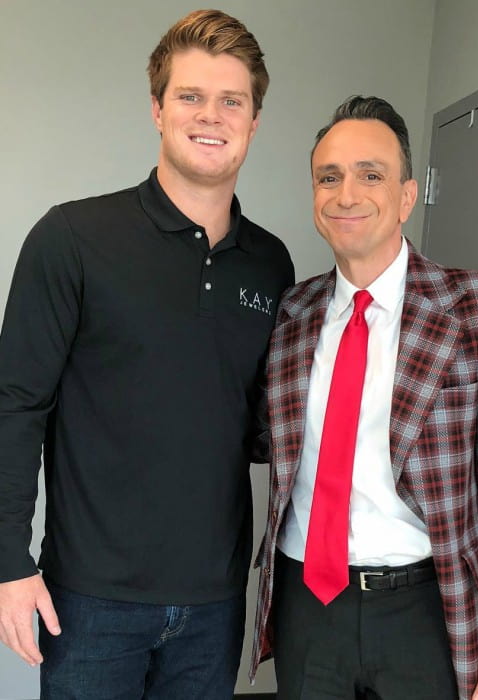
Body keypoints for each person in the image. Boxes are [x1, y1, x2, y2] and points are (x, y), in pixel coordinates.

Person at [0, 9, 294, 699]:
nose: (211, 115)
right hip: (90, 602)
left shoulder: (271, 264)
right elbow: (15, 405)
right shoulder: (71, 237)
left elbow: (257, 422)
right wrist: (8, 561)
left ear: (255, 122)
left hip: (216, 605)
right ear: (158, 109)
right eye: (191, 96)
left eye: (232, 100)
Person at [251, 95, 478, 700]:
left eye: (371, 174)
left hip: (426, 607)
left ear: (408, 196)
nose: (346, 194)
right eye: (328, 177)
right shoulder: (291, 312)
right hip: (306, 603)